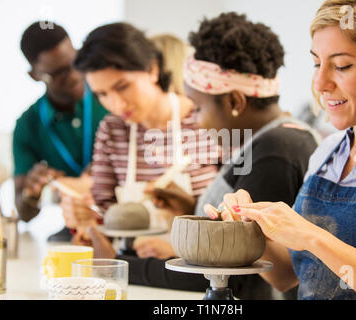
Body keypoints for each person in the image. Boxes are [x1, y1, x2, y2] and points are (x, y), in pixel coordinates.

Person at [85, 13, 320, 300]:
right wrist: (190, 208)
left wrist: (120, 267)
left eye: (197, 106)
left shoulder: (274, 154)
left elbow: (238, 272)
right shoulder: (268, 143)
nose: (195, 118)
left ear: (235, 102)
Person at [207, 0, 356, 300]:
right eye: (317, 64)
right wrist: (246, 229)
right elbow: (287, 276)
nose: (320, 84)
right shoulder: (327, 154)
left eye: (342, 66)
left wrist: (312, 236)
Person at [65, 22, 218, 245]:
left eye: (122, 86)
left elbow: (234, 216)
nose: (116, 104)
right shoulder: (112, 130)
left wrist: (189, 210)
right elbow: (103, 210)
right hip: (135, 267)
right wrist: (87, 216)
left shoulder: (206, 121)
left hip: (200, 266)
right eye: (102, 94)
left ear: (152, 70)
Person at [14, 22, 108, 241]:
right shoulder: (28, 125)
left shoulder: (108, 96)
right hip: (76, 224)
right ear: (35, 75)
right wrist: (31, 193)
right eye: (58, 73)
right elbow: (24, 214)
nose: (74, 75)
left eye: (76, 62)